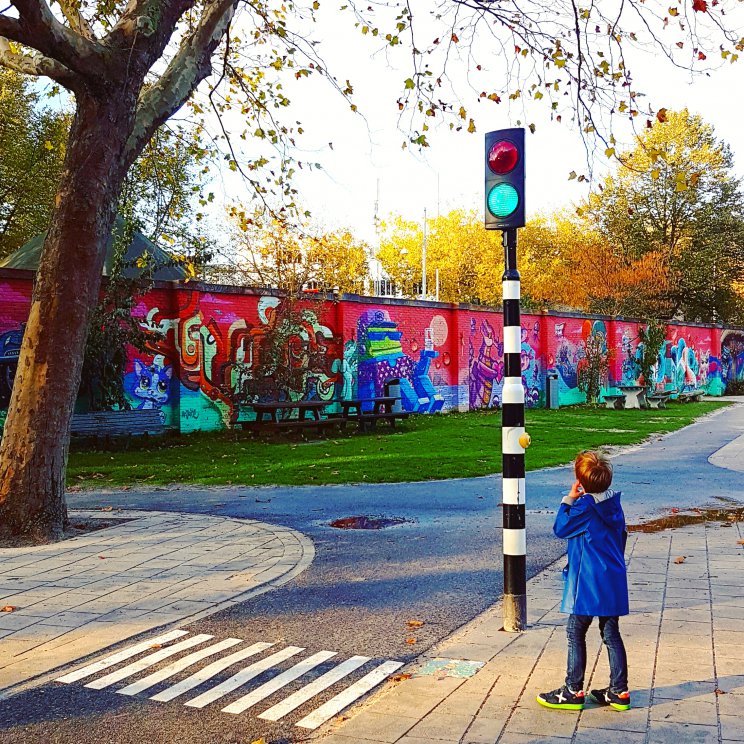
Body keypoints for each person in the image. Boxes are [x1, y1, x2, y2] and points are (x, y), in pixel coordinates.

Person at [537, 450, 631, 712]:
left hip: (589, 582)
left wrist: (569, 499)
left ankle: (573, 689)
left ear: (580, 479)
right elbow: (621, 537)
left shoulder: (585, 507)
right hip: (613, 577)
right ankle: (619, 690)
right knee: (611, 633)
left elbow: (561, 528)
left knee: (575, 631)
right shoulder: (613, 504)